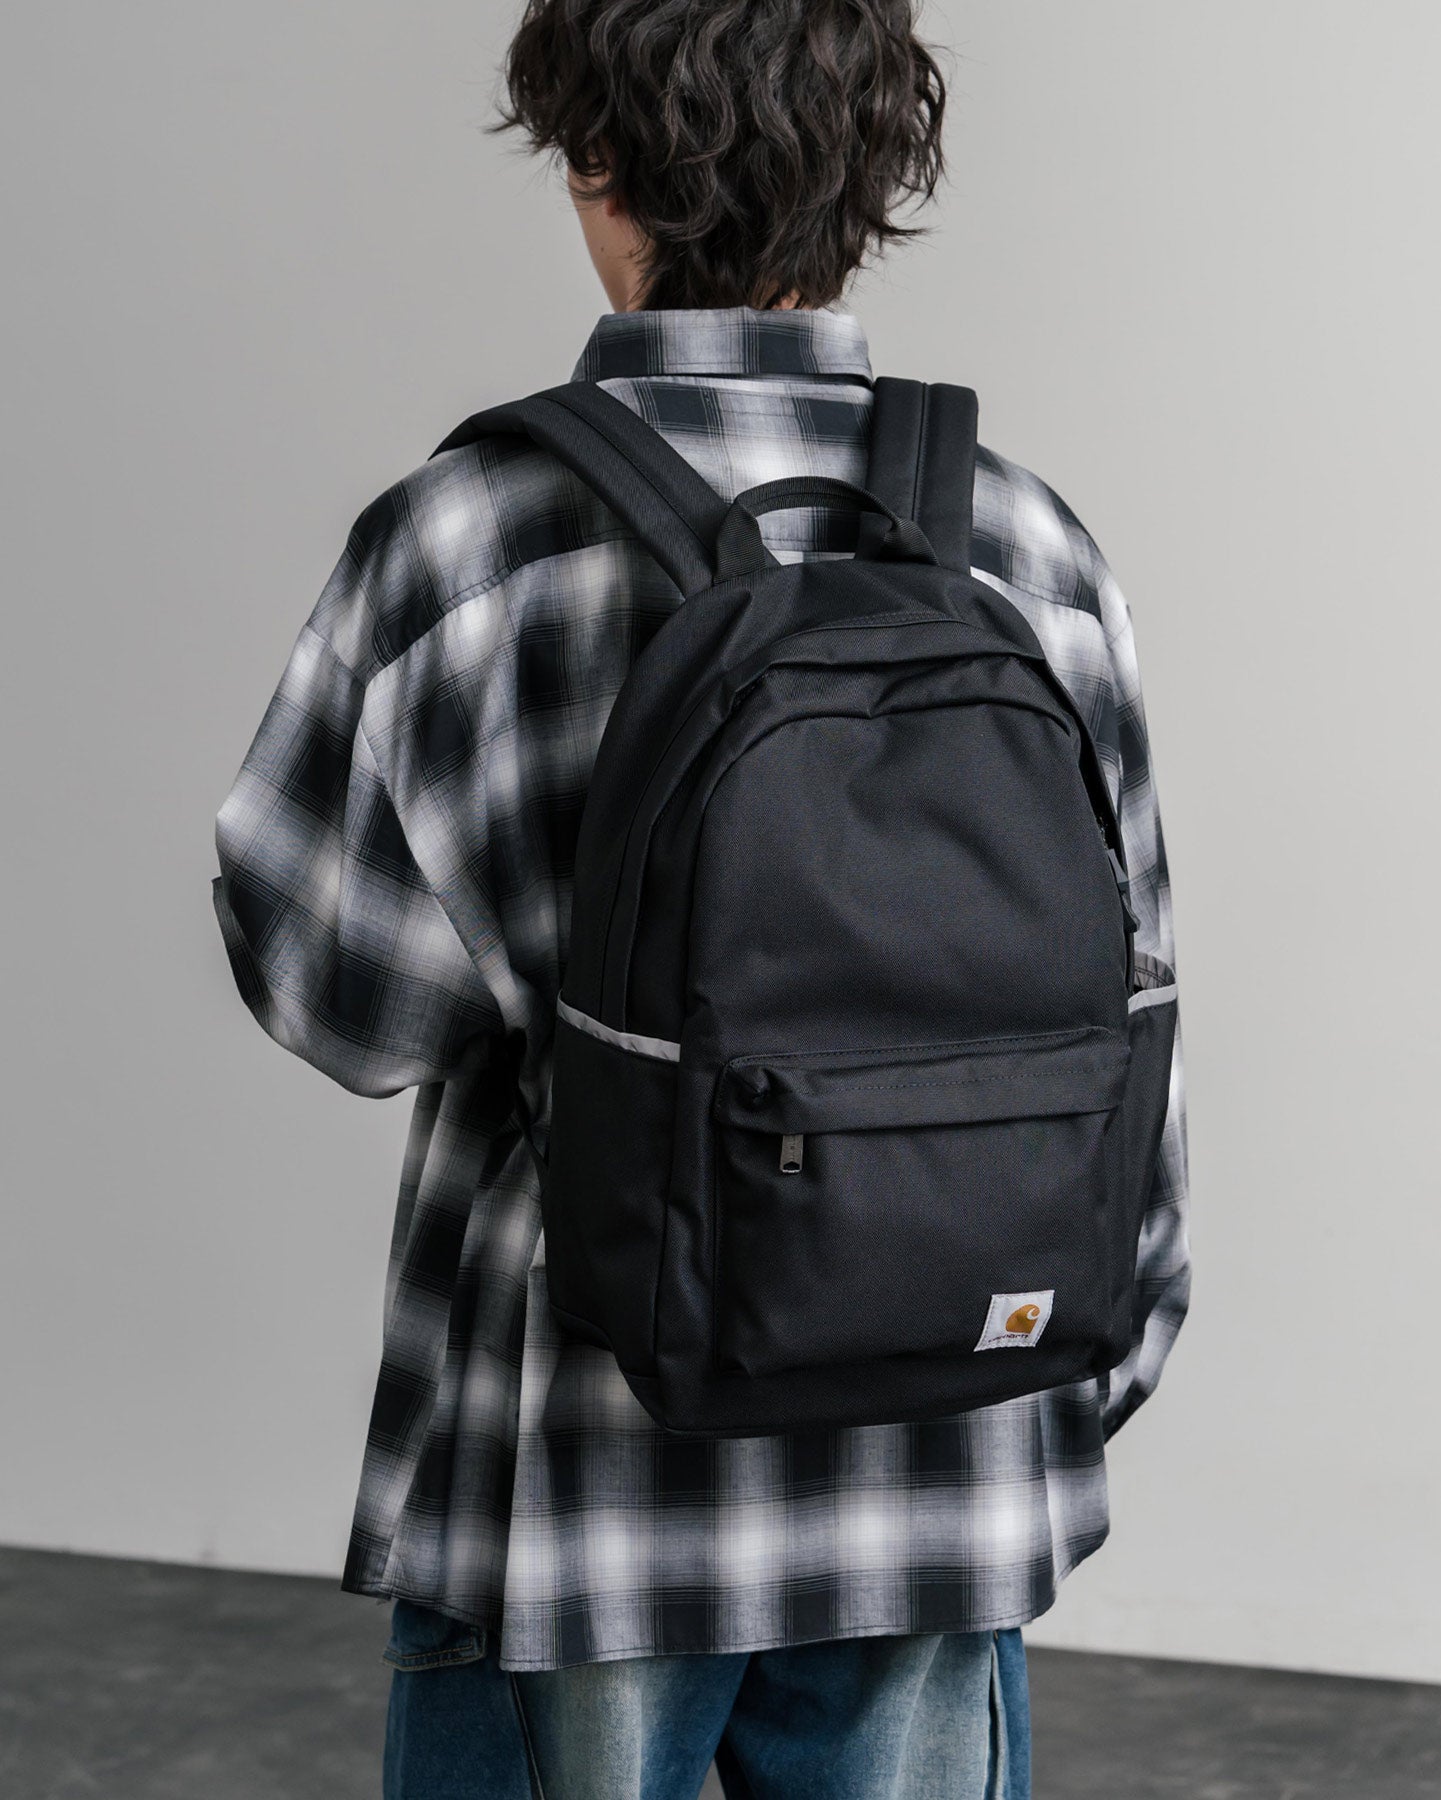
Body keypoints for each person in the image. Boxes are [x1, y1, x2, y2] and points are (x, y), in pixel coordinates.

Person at [211, 3, 1190, 1795]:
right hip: (947, 1469)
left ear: (596, 163)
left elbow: (333, 997)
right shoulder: (1035, 552)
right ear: (878, 169)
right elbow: (1131, 1044)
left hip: (578, 1497)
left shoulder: (466, 543)